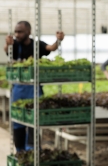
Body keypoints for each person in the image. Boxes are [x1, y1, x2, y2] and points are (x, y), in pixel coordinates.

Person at [3, 21, 64, 152]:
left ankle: (33, 151)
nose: (17, 34)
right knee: (18, 122)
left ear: (28, 32)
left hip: (34, 90)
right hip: (18, 90)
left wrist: (58, 41)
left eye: (20, 32)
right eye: (16, 32)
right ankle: (20, 151)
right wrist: (7, 43)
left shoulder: (37, 45)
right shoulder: (15, 44)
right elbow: (7, 51)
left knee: (34, 121)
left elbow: (51, 48)